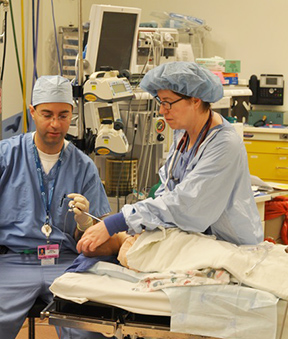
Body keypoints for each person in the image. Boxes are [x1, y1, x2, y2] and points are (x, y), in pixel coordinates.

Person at [72, 61, 264, 257]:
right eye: (160, 102)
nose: (163, 111)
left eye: (168, 103)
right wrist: (146, 221)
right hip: (195, 240)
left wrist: (118, 221)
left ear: (195, 100)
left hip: (233, 247)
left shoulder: (224, 144)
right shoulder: (184, 133)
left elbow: (188, 205)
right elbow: (169, 189)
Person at [0, 75, 112, 339]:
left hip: (65, 262)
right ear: (33, 112)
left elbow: (96, 233)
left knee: (89, 327)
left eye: (63, 115)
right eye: (47, 114)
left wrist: (86, 224)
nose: (55, 124)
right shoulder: (6, 156)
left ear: (72, 114)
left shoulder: (83, 166)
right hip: (14, 260)